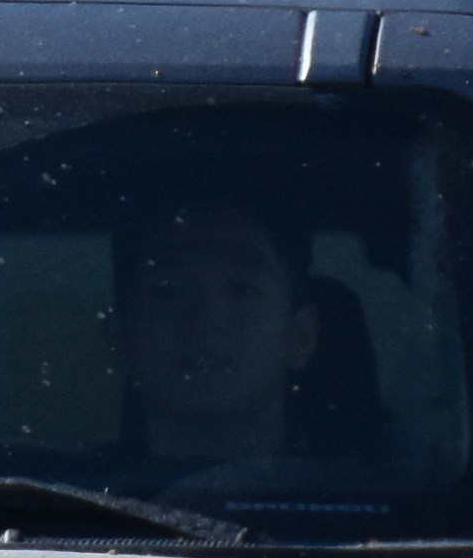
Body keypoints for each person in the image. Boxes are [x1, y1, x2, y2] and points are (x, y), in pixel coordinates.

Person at [114, 200, 322, 489]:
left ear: (301, 337)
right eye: (169, 290)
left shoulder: (369, 513)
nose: (207, 318)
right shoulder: (67, 508)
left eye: (241, 289)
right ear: (122, 340)